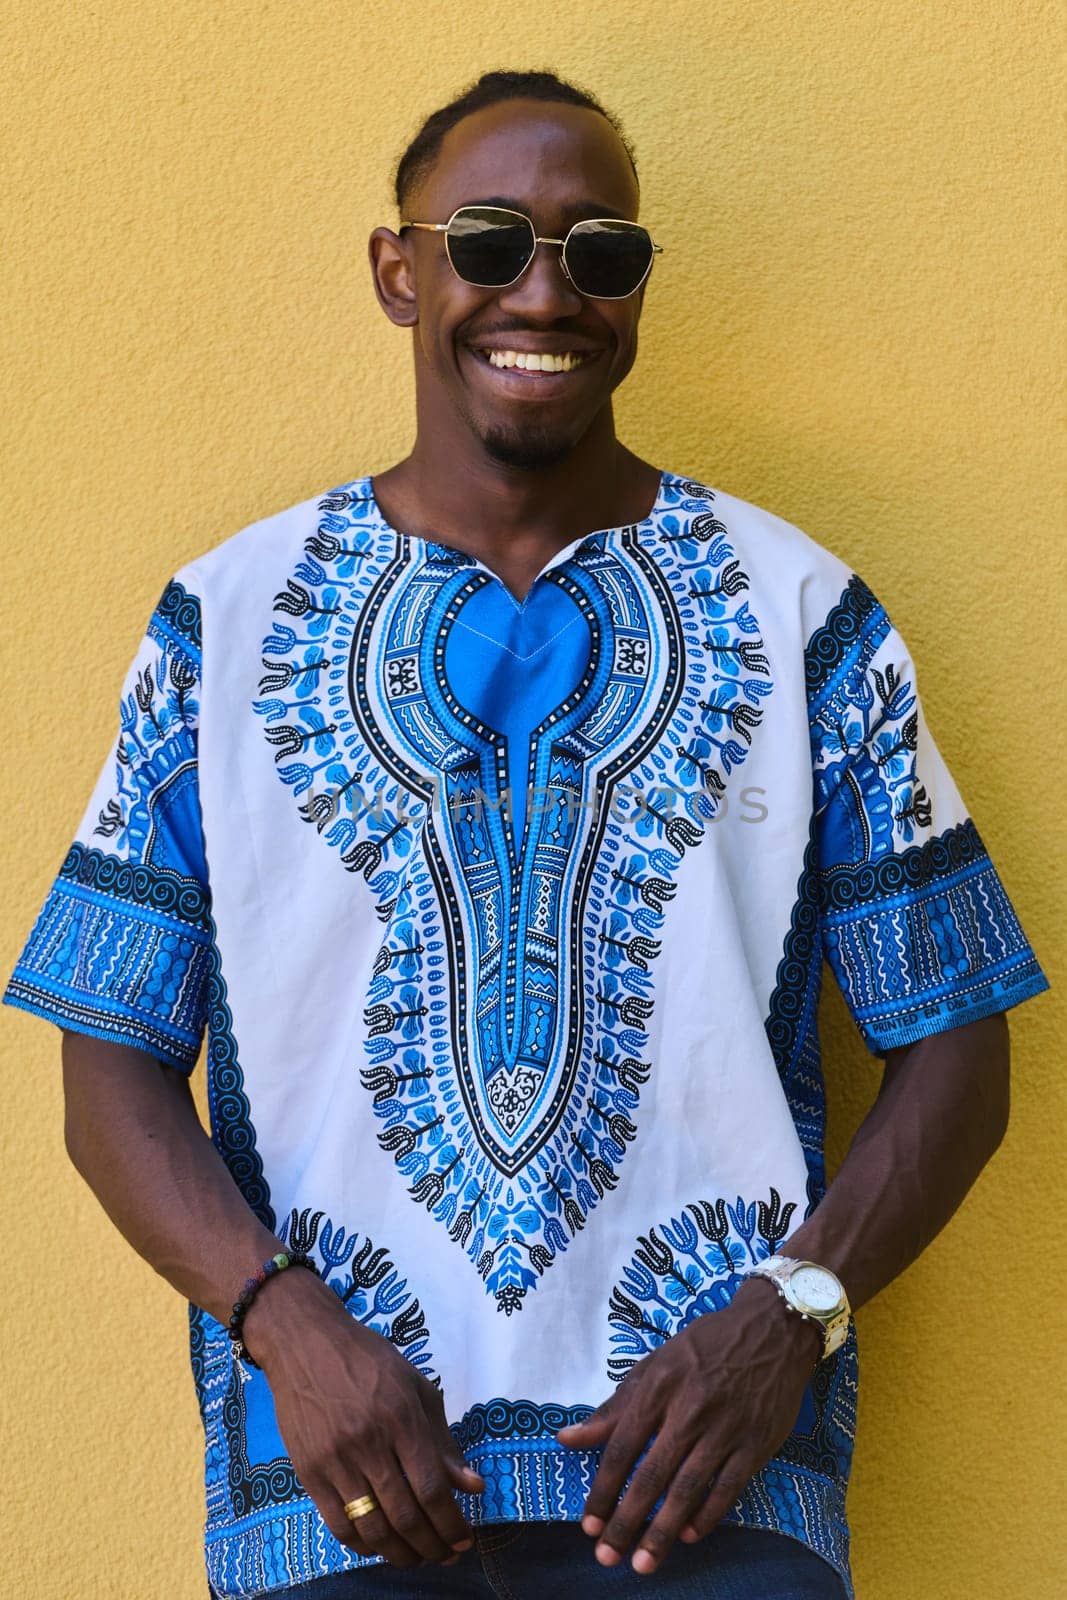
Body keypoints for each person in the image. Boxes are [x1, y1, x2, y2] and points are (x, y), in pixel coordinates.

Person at [3, 68, 1049, 1600]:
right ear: (399, 270)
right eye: (490, 241)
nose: (545, 291)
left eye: (600, 251)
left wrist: (791, 1317)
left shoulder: (799, 612)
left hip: (713, 1488)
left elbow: (960, 1049)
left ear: (639, 288)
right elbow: (107, 1067)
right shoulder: (223, 625)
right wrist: (287, 1327)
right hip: (342, 1487)